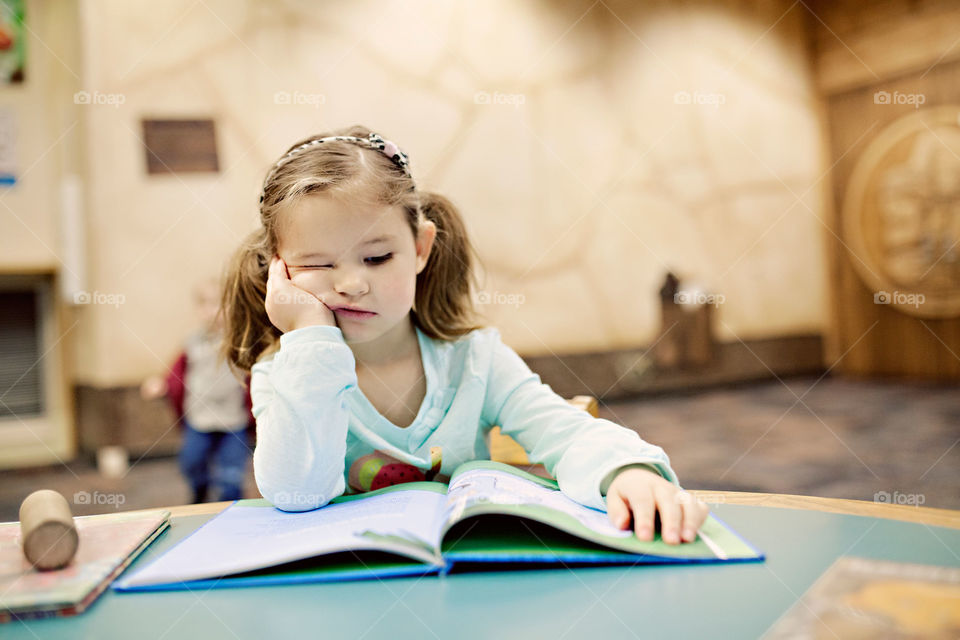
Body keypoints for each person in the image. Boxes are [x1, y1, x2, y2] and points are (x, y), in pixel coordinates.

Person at [220, 126, 709, 545]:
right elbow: (293, 495)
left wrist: (629, 472)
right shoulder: (283, 374)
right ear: (278, 274)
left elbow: (564, 430)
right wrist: (309, 337)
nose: (351, 283)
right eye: (316, 264)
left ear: (420, 248)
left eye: (376, 257)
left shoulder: (473, 359)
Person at [141, 279, 255, 503]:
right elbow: (177, 371)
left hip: (233, 421)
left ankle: (232, 507)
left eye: (223, 304)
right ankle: (199, 490)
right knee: (192, 462)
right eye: (208, 304)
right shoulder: (192, 342)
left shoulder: (241, 341)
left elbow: (255, 371)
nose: (216, 311)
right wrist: (161, 384)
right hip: (200, 419)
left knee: (231, 475)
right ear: (199, 309)